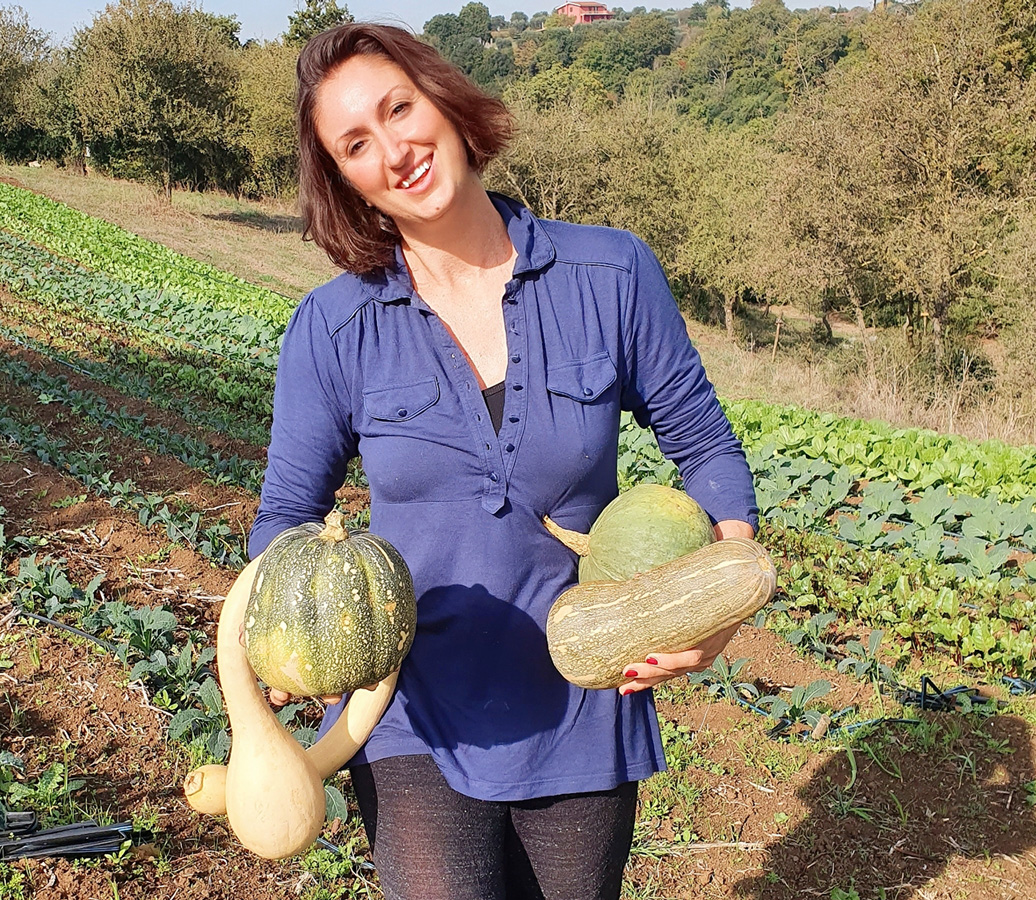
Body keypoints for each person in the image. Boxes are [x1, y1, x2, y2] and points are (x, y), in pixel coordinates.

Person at [248, 23, 759, 900]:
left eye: (398, 108)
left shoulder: (612, 274)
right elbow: (286, 517)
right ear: (345, 182)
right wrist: (284, 650)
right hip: (407, 705)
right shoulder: (334, 328)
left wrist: (726, 585)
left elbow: (702, 439)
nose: (394, 149)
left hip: (585, 699)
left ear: (443, 99)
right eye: (355, 145)